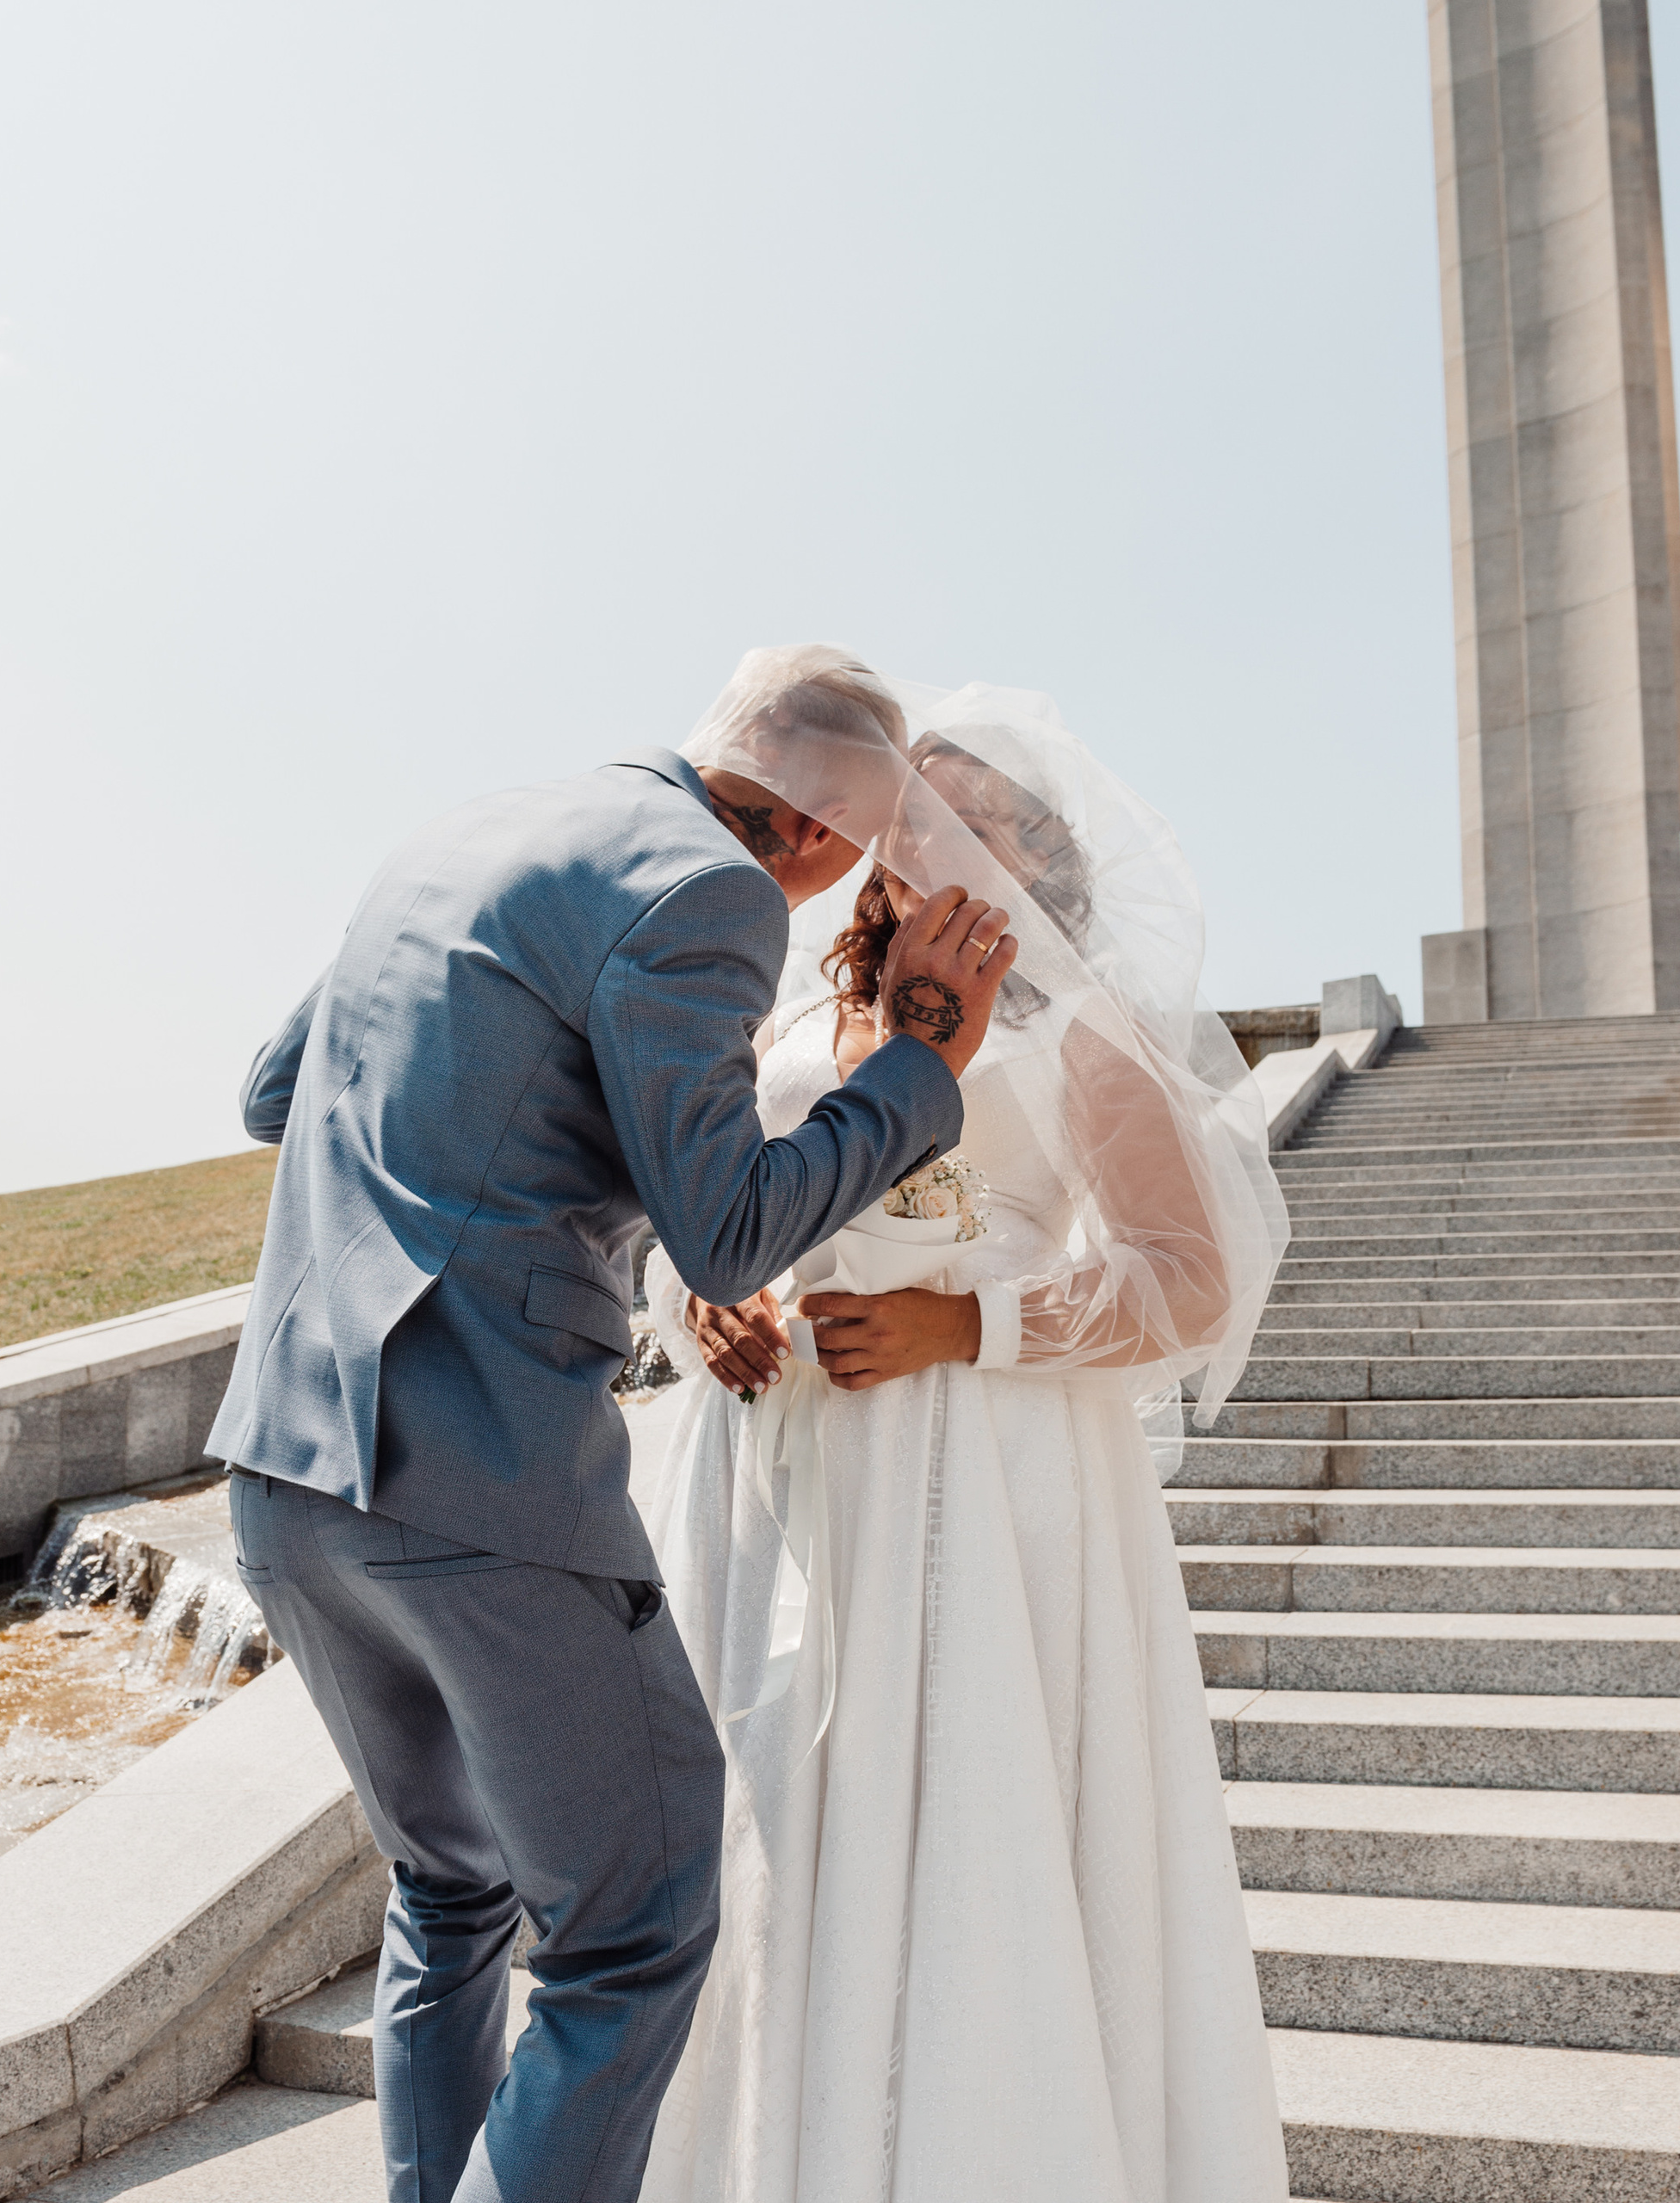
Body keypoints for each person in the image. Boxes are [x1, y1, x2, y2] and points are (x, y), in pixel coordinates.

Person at [208, 645, 1019, 2203]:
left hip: (286, 1469)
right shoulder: (708, 890)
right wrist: (920, 1063)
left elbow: (269, 1093)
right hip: (481, 1480)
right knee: (630, 1930)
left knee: (450, 1892)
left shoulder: (462, 835)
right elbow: (729, 1230)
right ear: (811, 828)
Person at [633, 682, 1293, 2203]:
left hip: (979, 1489)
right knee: (761, 1825)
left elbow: (1191, 1282)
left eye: (974, 813)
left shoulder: (1083, 1034)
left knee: (962, 1830)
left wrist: (965, 1325)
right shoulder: (795, 1018)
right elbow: (689, 1209)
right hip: (768, 1478)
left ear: (1039, 860)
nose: (927, 828)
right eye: (916, 803)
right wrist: (698, 1299)